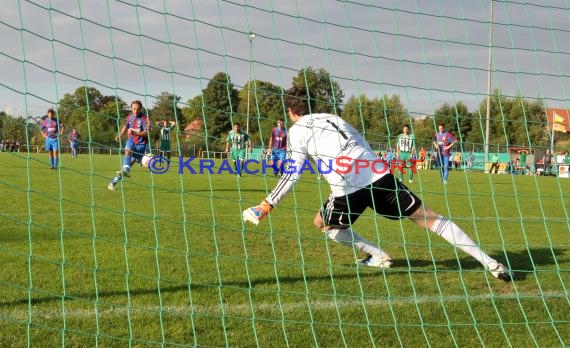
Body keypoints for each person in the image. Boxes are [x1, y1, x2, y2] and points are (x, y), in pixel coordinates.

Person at [242, 86, 511, 281]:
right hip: (377, 173)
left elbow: (292, 172)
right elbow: (361, 141)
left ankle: (377, 254)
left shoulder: (297, 130)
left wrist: (267, 205)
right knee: (431, 219)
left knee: (321, 223)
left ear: (290, 112)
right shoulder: (335, 118)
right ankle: (490, 263)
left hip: (348, 185)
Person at [108, 100, 151, 191]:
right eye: (134, 109)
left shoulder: (144, 118)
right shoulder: (129, 117)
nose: (135, 111)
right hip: (132, 142)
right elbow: (125, 127)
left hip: (141, 146)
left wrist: (135, 132)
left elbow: (147, 133)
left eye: (138, 109)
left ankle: (114, 181)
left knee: (127, 169)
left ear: (141, 109)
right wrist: (119, 136)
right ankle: (112, 184)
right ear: (131, 108)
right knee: (128, 149)